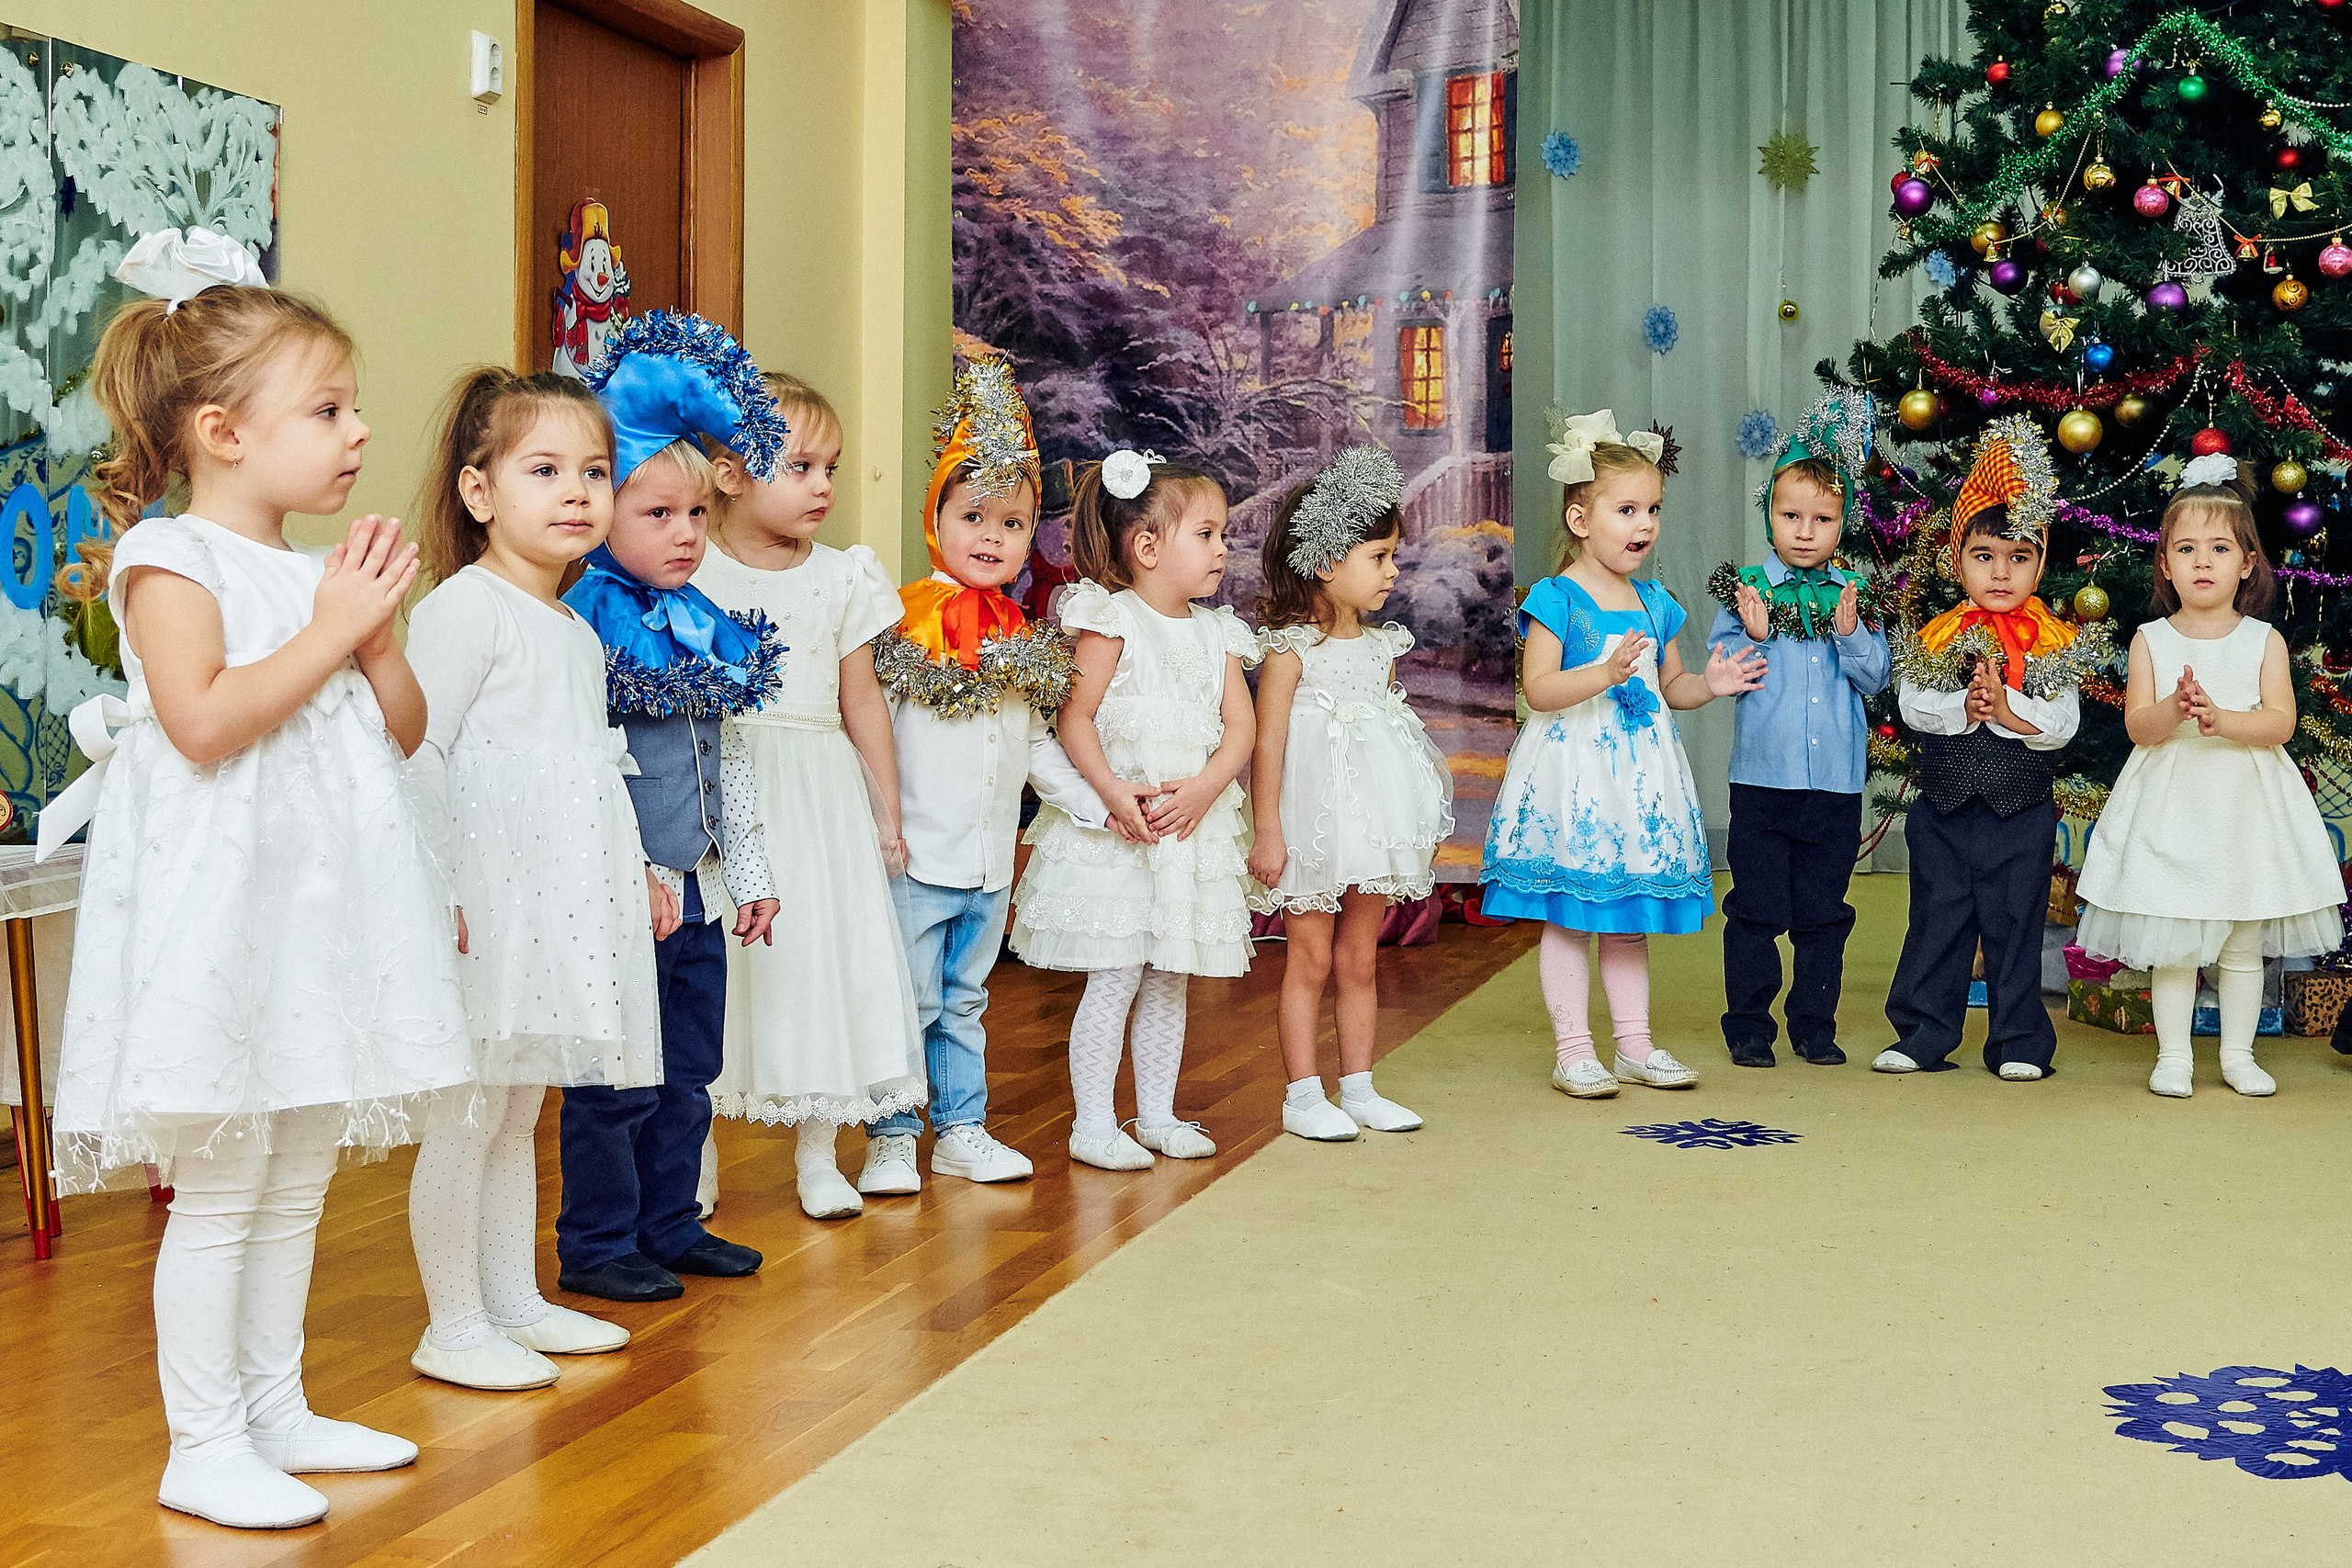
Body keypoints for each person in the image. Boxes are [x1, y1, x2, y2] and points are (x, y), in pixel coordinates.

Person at [40, 229, 471, 1529]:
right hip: (226, 909)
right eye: (328, 410)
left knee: (299, 1165)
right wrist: (331, 629)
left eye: (355, 409)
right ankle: (203, 1438)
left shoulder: (312, 572)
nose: (357, 433)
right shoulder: (170, 559)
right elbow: (206, 721)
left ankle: (276, 1405)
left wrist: (373, 636)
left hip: (320, 904)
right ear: (223, 431)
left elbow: (401, 730)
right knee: (225, 1181)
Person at [401, 368, 667, 1390]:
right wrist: (443, 892)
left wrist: (636, 867)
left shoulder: (571, 626)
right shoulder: (466, 610)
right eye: (545, 470)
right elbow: (417, 756)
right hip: (489, 898)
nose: (578, 493)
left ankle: (513, 1298)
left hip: (557, 895)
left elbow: (590, 768)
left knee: (520, 1110)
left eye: (595, 472)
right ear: (480, 494)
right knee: (469, 1112)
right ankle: (452, 1322)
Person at [557, 310, 783, 1302]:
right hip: (621, 892)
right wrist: (635, 867)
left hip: (695, 892)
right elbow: (588, 765)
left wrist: (751, 874)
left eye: (696, 516)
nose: (686, 535)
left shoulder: (701, 625)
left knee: (689, 1068)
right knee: (615, 1081)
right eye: (658, 516)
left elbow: (726, 758)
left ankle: (669, 1221)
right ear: (603, 515)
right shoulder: (586, 625)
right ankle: (600, 1244)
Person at [861, 358, 1112, 1192]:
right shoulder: (903, 624)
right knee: (909, 1001)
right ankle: (893, 1133)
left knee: (965, 1001)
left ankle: (961, 1127)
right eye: (973, 516)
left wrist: (1095, 805)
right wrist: (878, 824)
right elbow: (874, 733)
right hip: (914, 859)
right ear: (936, 518)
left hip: (986, 864)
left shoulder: (1019, 638)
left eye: (1011, 523)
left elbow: (1038, 745)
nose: (991, 537)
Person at [1481, 410, 1764, 1100]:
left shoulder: (1655, 601)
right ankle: (1574, 1050)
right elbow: (1540, 688)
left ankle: (1634, 1045)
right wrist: (1603, 674)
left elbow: (1671, 686)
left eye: (1654, 510)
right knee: (1572, 914)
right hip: (1576, 772)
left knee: (1628, 915)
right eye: (1627, 509)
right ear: (1581, 520)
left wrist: (1712, 684)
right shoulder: (1558, 598)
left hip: (1638, 778)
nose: (1645, 524)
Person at [695, 371, 924, 1219]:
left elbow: (861, 697)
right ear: (729, 473)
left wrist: (885, 809)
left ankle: (820, 1149)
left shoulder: (843, 577)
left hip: (820, 791)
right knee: (716, 973)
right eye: (799, 467)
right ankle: (696, 1150)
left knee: (818, 962)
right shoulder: (691, 569)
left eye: (831, 468)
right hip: (724, 787)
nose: (823, 486)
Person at [1012, 445, 1260, 1169]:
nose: (1223, 548)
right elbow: (1075, 718)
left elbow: (1240, 726)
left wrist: (1209, 786)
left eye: (1223, 535)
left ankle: (1156, 1113)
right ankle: (1093, 1122)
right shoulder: (1111, 619)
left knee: (1168, 973)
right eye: (1207, 534)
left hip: (1183, 831)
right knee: (1115, 971)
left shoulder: (1217, 632)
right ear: (1149, 546)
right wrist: (1112, 793)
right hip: (1123, 831)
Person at [2076, 457, 2344, 1097]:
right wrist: (2176, 708)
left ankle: (2239, 1053)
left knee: (2242, 938)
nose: (2203, 560)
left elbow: (2280, 723)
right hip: (2173, 804)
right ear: (2165, 563)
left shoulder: (2263, 640)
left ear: (2247, 562)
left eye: (2220, 547)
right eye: (2187, 548)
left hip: (2244, 808)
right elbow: (2140, 725)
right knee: (2174, 937)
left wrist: (2220, 717)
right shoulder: (2150, 638)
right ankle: (2174, 1055)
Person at [1876, 416, 2106, 1080]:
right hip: (1944, 808)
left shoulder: (2054, 641)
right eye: (1985, 557)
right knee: (1937, 921)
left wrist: (2008, 710)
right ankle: (1923, 1032)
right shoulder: (1941, 633)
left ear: (2040, 560)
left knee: (2015, 925)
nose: (2001, 572)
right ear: (1959, 561)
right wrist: (1963, 707)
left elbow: (2062, 723)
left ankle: (2018, 1042)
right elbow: (1914, 704)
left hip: (2021, 812)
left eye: (2019, 557)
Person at [1246, 446, 1453, 1140]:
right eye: (1379, 555)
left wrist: (1407, 816)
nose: (1393, 570)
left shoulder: (1379, 645)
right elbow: (1268, 743)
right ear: (1328, 561)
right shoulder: (1288, 649)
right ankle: (1303, 1094)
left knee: (1360, 956)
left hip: (1369, 821)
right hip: (1311, 823)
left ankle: (1359, 1085)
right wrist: (1267, 830)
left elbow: (1391, 734)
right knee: (1308, 956)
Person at [1704, 390, 1890, 1068]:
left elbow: (1876, 681)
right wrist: (1750, 636)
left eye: (1823, 518)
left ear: (1842, 522)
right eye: (1791, 516)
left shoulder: (1853, 596)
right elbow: (1721, 673)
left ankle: (1814, 1022)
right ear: (1768, 516)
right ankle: (1748, 1024)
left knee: (1823, 911)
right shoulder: (1748, 592)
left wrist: (1851, 638)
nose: (1805, 530)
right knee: (1754, 908)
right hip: (1762, 782)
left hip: (1833, 788)